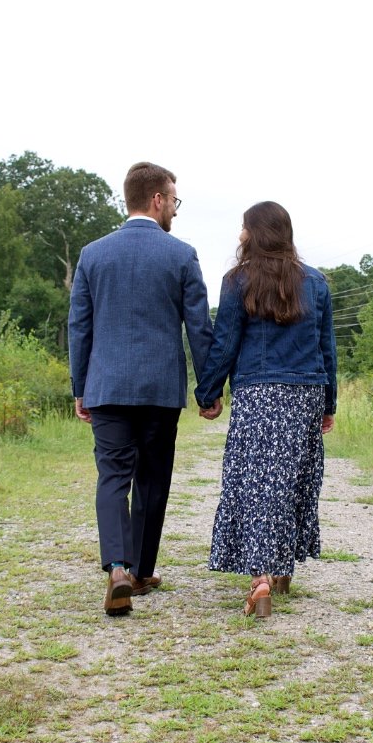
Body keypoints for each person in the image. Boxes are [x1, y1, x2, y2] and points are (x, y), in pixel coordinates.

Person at [68, 161, 221, 616]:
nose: (175, 207)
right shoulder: (181, 254)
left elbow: (80, 327)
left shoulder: (93, 254)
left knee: (113, 476)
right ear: (157, 199)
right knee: (152, 476)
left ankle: (117, 567)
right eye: (173, 199)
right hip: (158, 389)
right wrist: (208, 388)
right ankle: (140, 572)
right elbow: (200, 328)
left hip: (107, 385)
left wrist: (81, 386)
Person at [194, 201, 336, 618]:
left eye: (243, 228)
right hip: (306, 391)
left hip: (259, 393)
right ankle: (283, 567)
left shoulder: (238, 280)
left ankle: (261, 579)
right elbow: (327, 350)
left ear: (253, 234)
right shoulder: (316, 283)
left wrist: (208, 393)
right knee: (294, 479)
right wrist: (329, 403)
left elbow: (225, 342)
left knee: (257, 484)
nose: (239, 235)